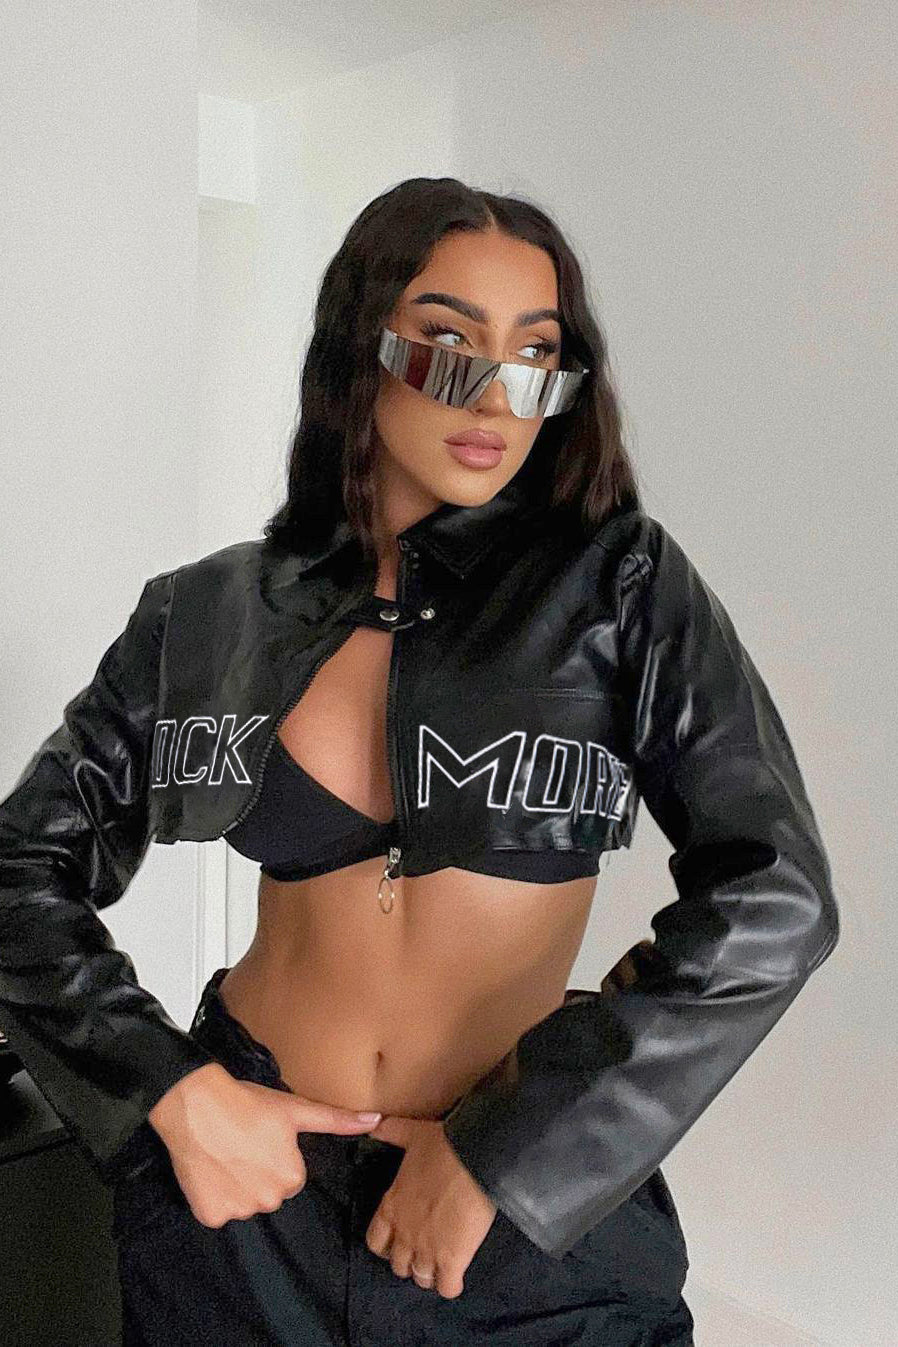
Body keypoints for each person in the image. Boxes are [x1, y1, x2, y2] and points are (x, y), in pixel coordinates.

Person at [0, 177, 839, 1346]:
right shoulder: (211, 612)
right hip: (244, 1211)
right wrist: (170, 1096)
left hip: (516, 1227)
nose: (494, 393)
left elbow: (776, 898)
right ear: (362, 345)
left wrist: (512, 1153)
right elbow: (18, 873)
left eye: (534, 354)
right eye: (448, 341)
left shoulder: (621, 587)